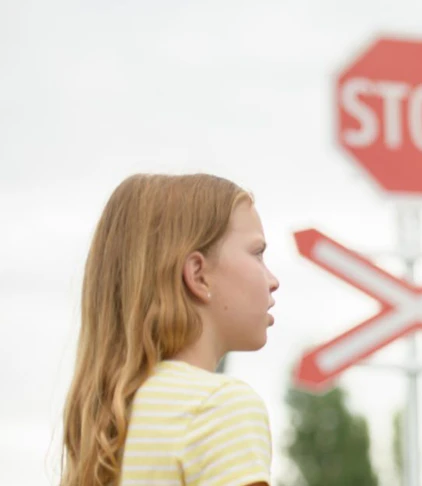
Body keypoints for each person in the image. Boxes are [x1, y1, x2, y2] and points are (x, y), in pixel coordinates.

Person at [59, 173, 280, 486]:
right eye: (257, 253)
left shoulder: (108, 420)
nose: (272, 280)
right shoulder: (218, 407)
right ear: (198, 275)